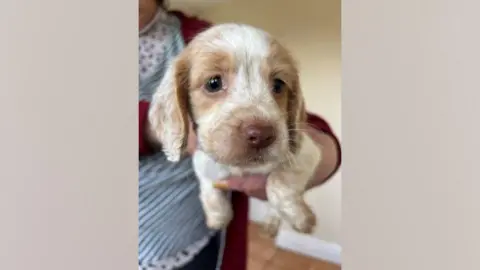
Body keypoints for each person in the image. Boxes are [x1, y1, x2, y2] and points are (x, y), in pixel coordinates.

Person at [138, 1, 342, 270]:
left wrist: (319, 157)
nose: (256, 124)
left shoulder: (203, 37)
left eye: (276, 85)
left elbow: (307, 127)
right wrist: (150, 128)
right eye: (214, 84)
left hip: (192, 240)